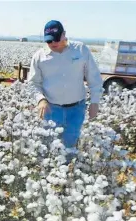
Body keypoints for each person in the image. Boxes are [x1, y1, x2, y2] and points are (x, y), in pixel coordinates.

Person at [27, 20, 103, 152]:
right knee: (48, 147)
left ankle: (69, 169)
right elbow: (33, 83)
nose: (53, 44)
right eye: (49, 41)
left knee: (70, 147)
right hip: (51, 110)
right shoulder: (39, 57)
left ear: (64, 34)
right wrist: (40, 99)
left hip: (76, 109)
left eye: (56, 39)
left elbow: (94, 77)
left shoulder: (80, 50)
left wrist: (95, 102)